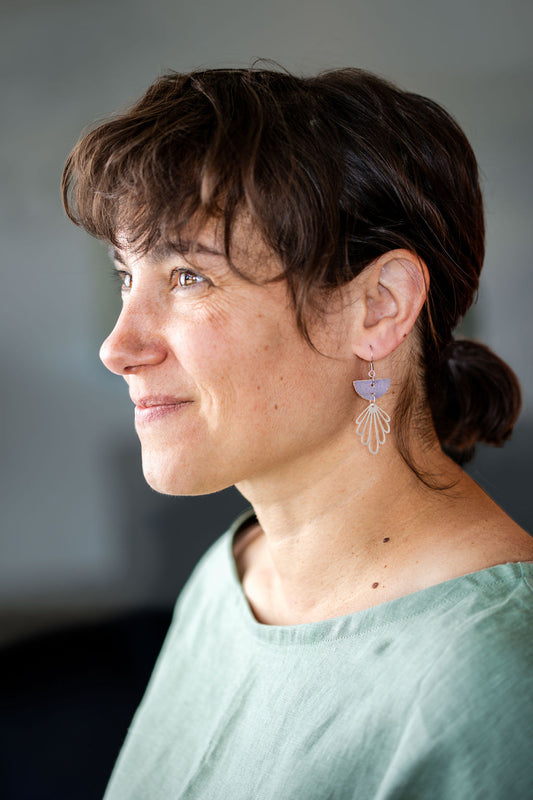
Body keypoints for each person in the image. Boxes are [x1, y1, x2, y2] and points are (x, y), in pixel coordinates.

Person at [62, 66, 533, 799]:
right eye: (128, 276)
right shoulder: (231, 575)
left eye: (188, 276)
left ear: (377, 307)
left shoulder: (491, 677)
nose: (118, 346)